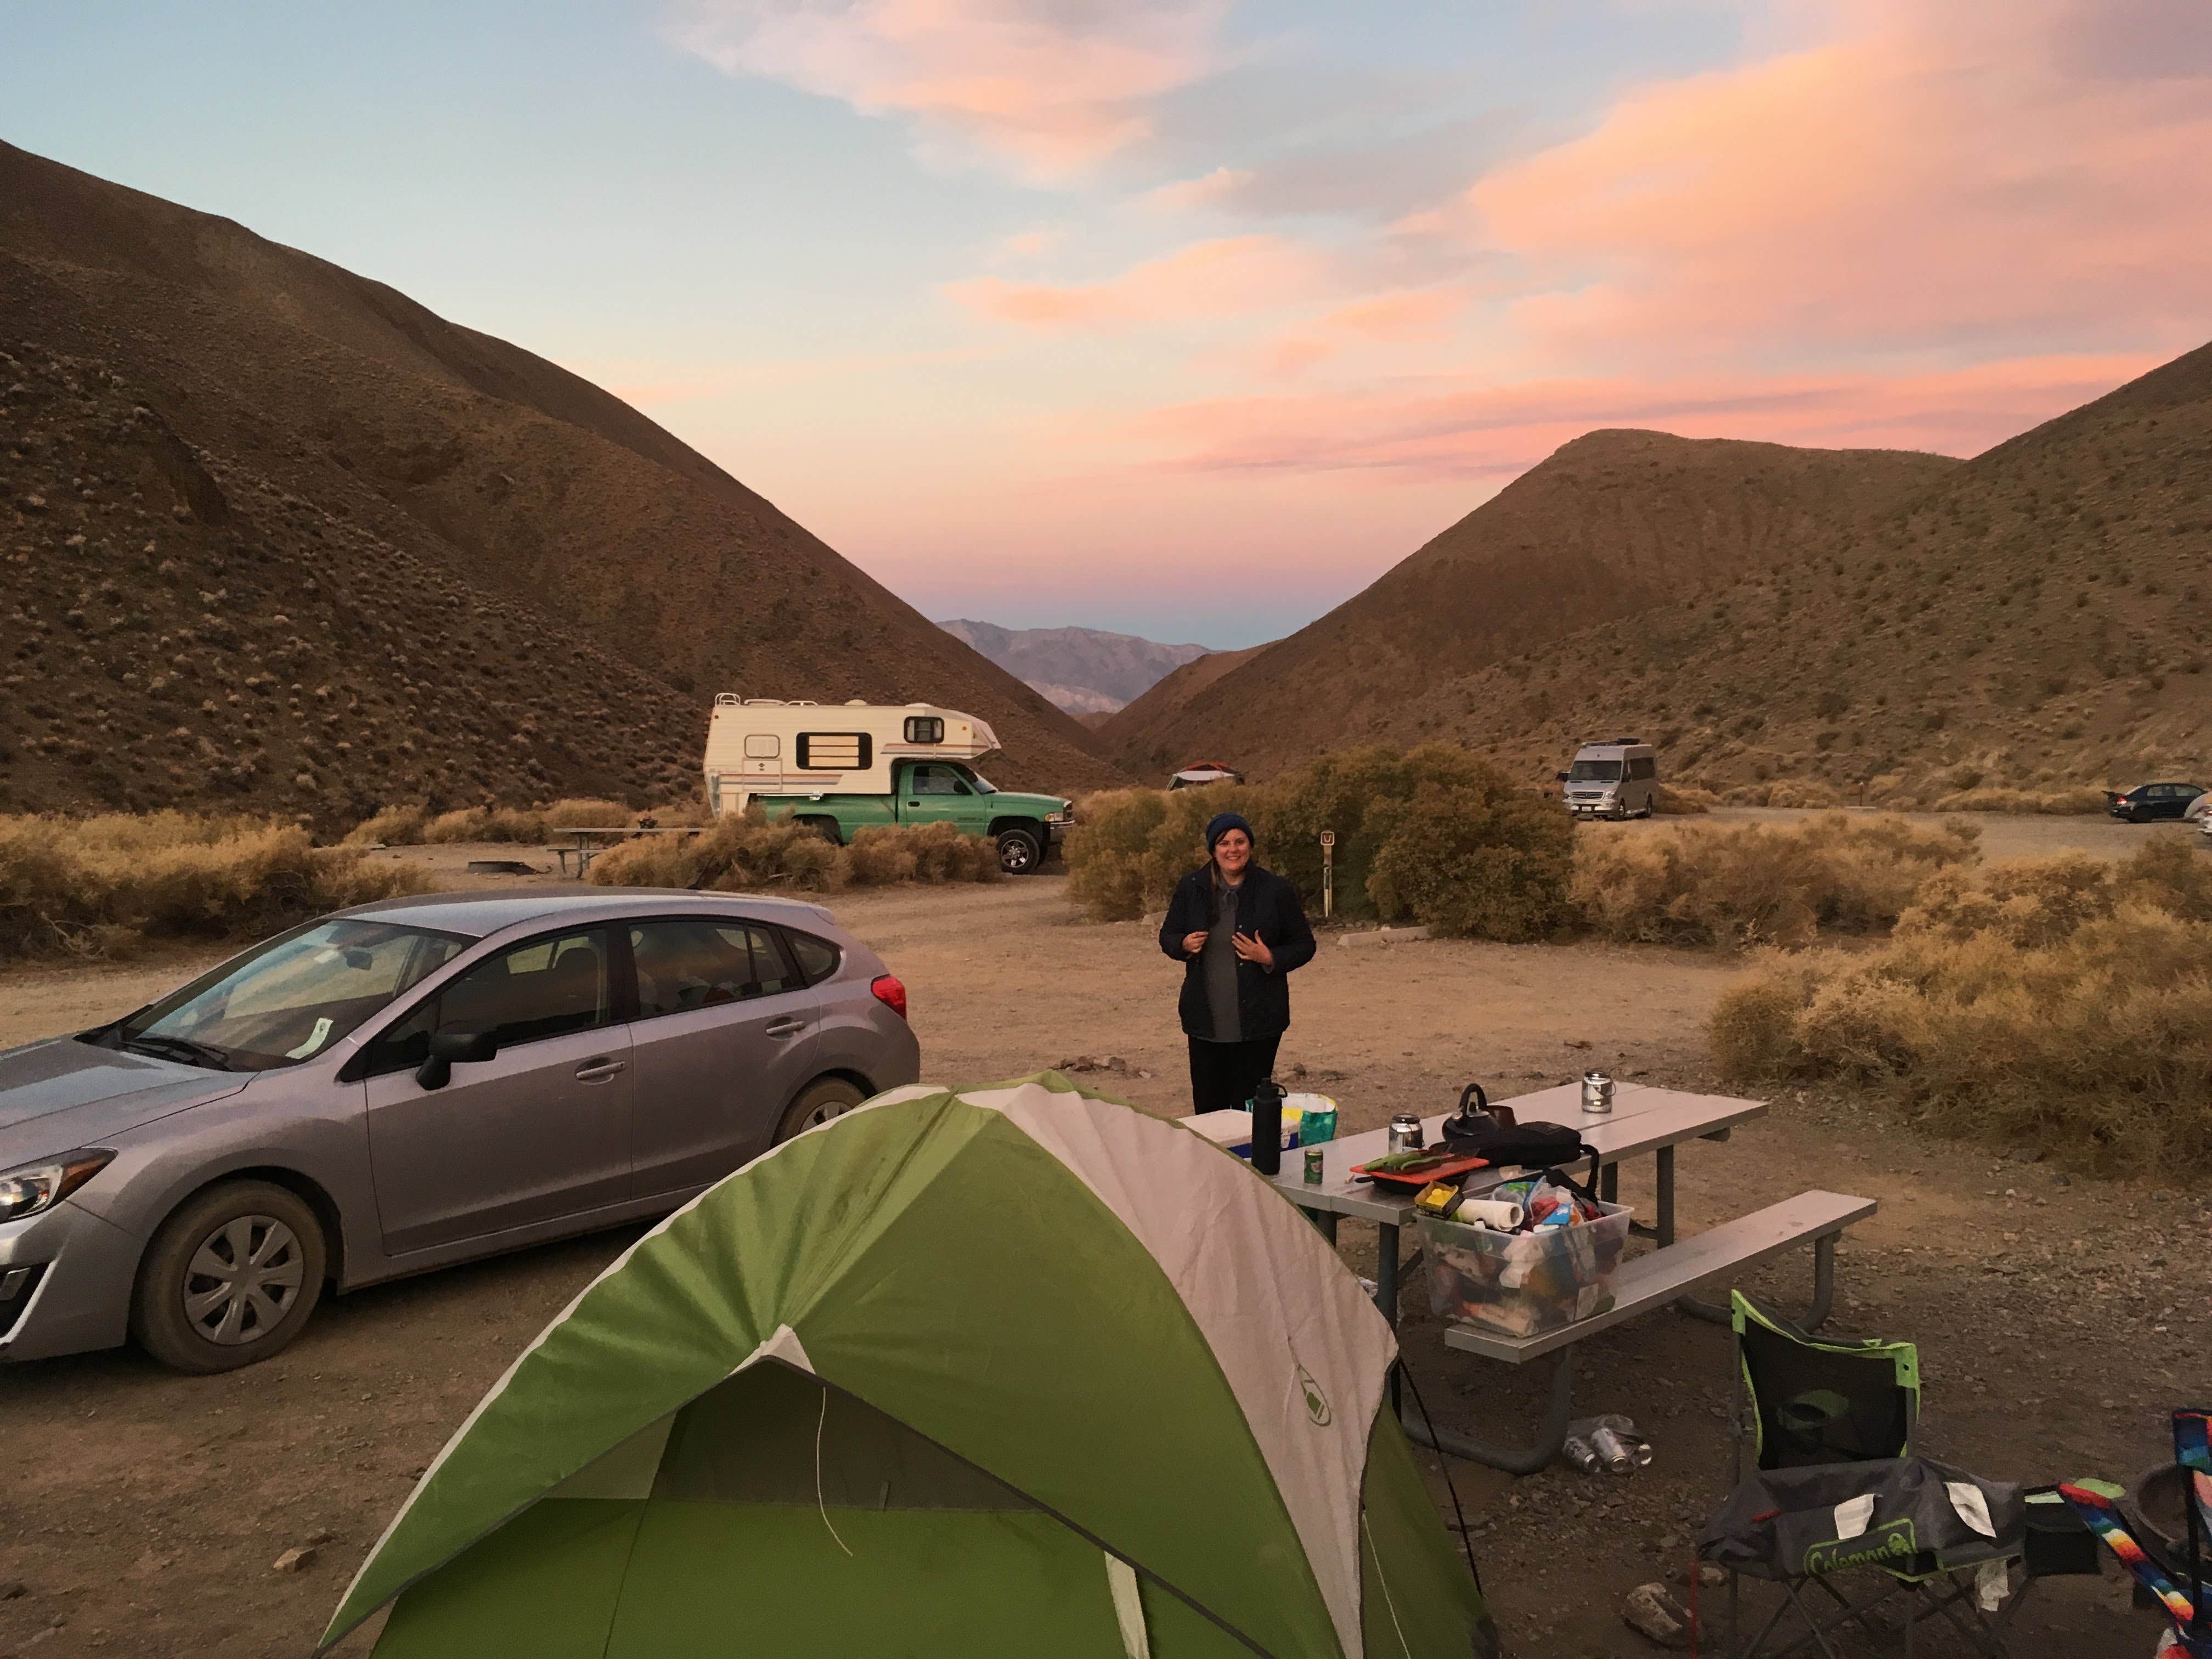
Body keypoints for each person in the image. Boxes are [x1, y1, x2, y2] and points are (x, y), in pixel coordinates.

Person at [1158, 811, 1316, 1115]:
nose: (1233, 849)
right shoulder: (1191, 887)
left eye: (1240, 842)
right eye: (1224, 843)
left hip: (1260, 1022)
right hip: (1205, 1021)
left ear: (1250, 846)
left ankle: (1250, 1164)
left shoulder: (1275, 890)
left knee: (1249, 1110)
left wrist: (1270, 957)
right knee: (1209, 1110)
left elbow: (1305, 944)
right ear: (1213, 850)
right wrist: (1182, 944)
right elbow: (1168, 935)